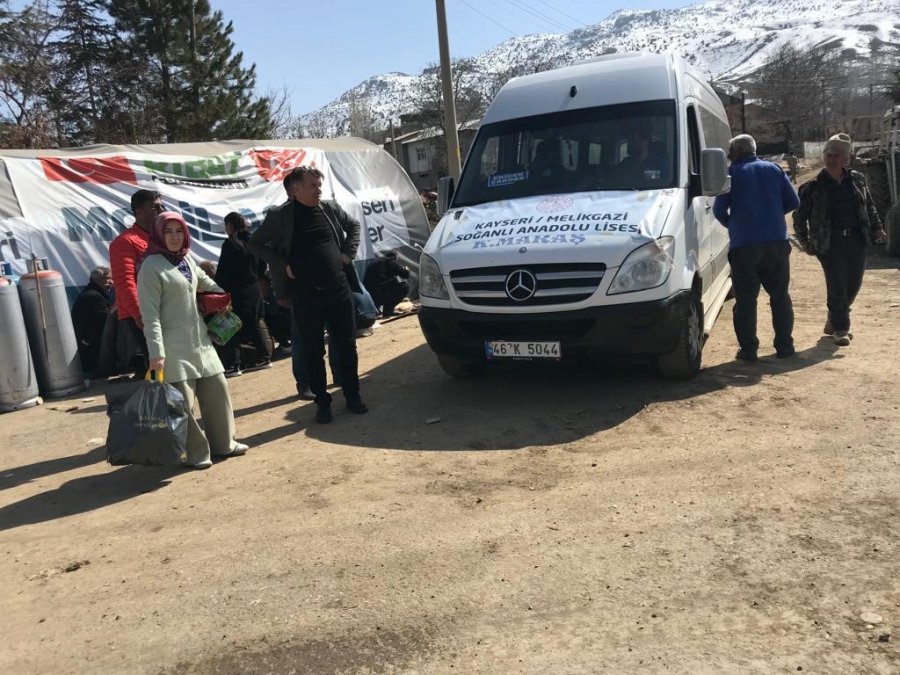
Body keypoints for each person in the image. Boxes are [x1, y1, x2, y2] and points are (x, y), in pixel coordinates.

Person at [249, 165, 367, 423]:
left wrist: (348, 253)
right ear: (296, 189)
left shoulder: (329, 208)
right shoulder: (281, 216)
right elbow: (255, 244)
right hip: (305, 295)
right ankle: (322, 402)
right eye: (312, 186)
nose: (318, 190)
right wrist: (282, 264)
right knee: (313, 350)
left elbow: (354, 225)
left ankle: (353, 395)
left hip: (338, 289)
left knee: (347, 345)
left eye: (319, 185)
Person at [137, 211, 248, 469]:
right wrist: (156, 354)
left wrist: (220, 297)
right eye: (168, 232)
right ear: (158, 234)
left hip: (201, 342)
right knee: (182, 405)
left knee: (218, 391)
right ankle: (195, 454)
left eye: (179, 231)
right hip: (172, 348)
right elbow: (150, 317)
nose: (175, 237)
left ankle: (224, 444)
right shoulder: (150, 267)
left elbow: (206, 282)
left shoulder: (186, 258)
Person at [713, 134, 800, 361]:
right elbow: (794, 202)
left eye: (730, 152)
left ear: (736, 152)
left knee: (746, 301)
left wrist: (734, 224)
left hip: (744, 245)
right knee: (780, 296)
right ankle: (785, 346)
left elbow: (718, 210)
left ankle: (749, 350)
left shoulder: (730, 174)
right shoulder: (774, 169)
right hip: (777, 242)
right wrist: (771, 216)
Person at [793, 133, 886, 346]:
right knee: (837, 285)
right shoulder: (813, 186)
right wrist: (805, 242)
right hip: (829, 243)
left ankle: (834, 319)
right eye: (828, 154)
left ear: (846, 158)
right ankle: (841, 329)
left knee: (854, 284)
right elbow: (799, 217)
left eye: (836, 155)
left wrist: (878, 228)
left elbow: (869, 206)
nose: (831, 159)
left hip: (857, 240)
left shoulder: (857, 180)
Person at [109, 189, 163, 377]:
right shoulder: (124, 242)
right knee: (157, 361)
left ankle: (171, 391)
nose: (161, 210)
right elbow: (124, 282)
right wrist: (140, 315)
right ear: (139, 212)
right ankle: (158, 392)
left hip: (164, 308)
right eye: (155, 207)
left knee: (172, 359)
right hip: (143, 314)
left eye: (161, 206)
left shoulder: (162, 238)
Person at [216, 212, 272, 376]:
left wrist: (219, 289)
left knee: (230, 326)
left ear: (230, 225)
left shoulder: (230, 244)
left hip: (236, 291)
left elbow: (223, 271)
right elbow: (262, 266)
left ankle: (233, 365)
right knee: (256, 323)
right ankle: (264, 357)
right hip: (254, 288)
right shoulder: (253, 240)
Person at [71, 265, 112, 375]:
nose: (111, 282)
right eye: (108, 278)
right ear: (97, 280)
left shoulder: (92, 294)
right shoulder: (93, 297)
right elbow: (106, 321)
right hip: (92, 348)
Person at [363, 250, 410, 317]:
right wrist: (407, 270)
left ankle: (376, 310)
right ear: (394, 257)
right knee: (405, 286)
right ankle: (388, 310)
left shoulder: (374, 262)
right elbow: (405, 275)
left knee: (387, 283)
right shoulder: (390, 262)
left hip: (369, 296)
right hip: (381, 294)